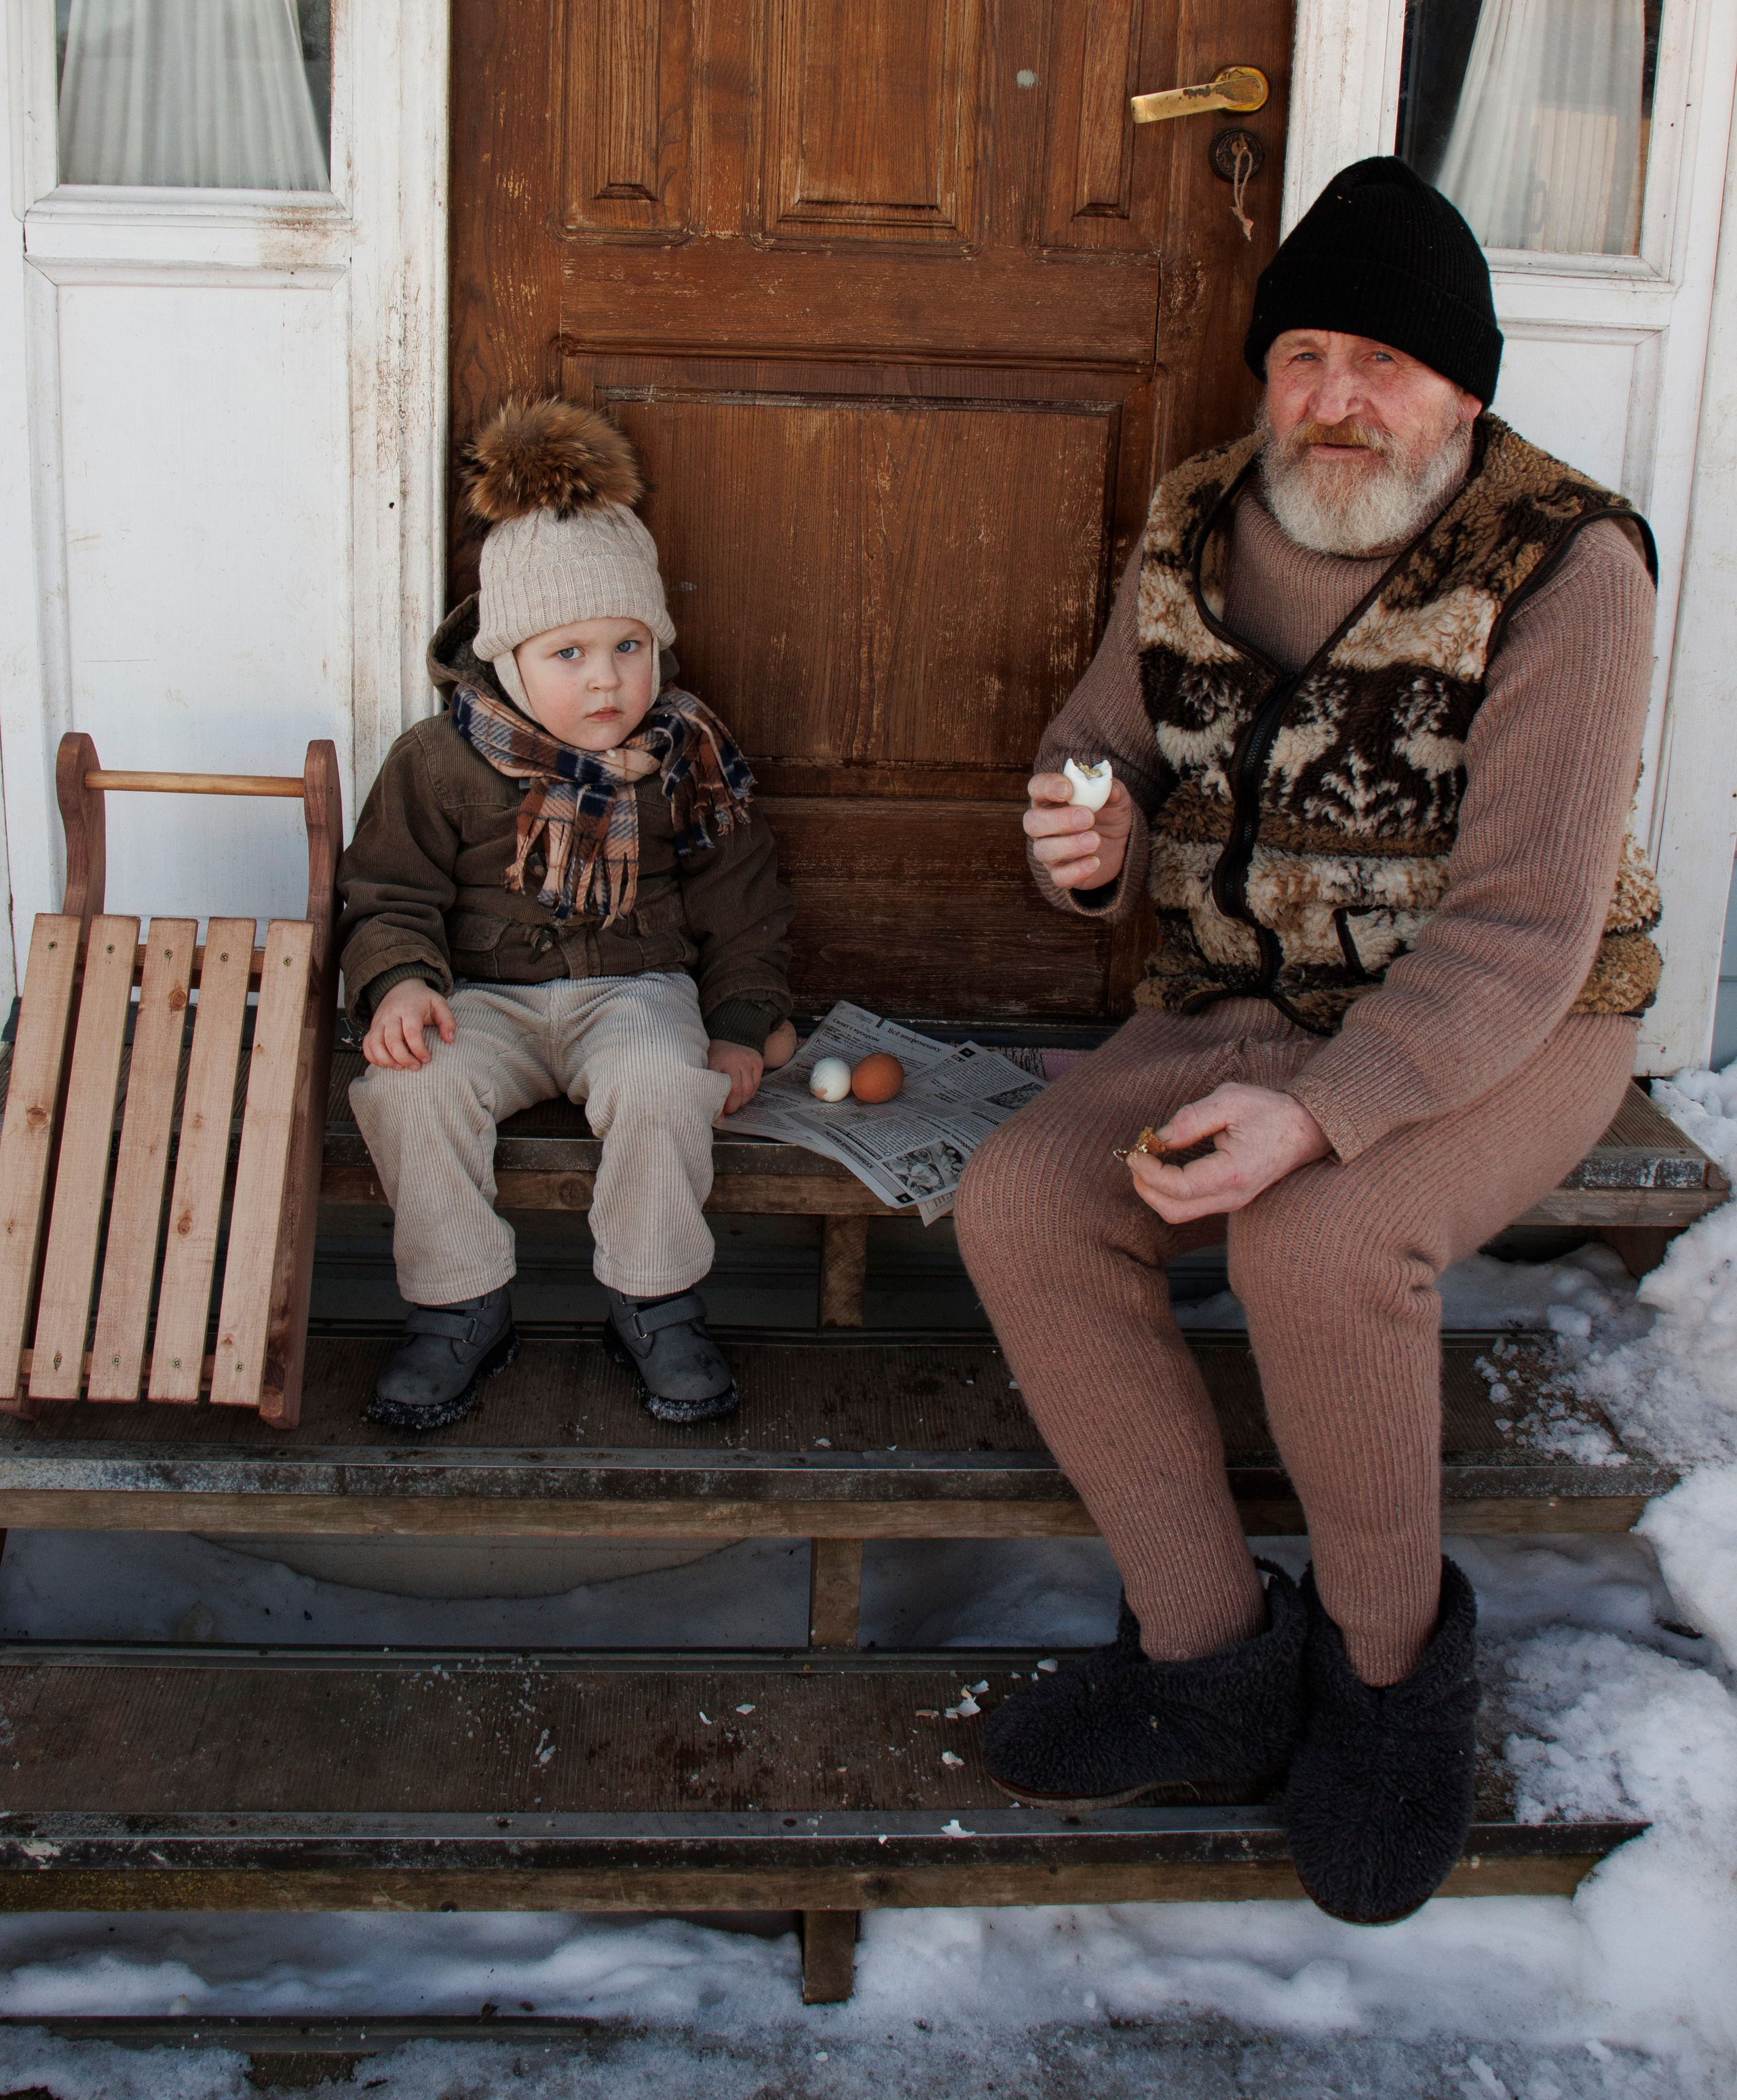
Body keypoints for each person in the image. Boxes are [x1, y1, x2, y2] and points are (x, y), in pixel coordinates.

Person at [953, 157, 1660, 1926]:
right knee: (1023, 1203)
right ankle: (1210, 1664)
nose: (1339, 399)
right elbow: (1095, 740)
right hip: (1232, 994)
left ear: (1464, 392)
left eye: (1389, 366)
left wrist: (1325, 1115)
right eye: (1307, 355)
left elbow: (1523, 931)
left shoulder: (1566, 562)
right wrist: (1086, 832)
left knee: (1319, 1236)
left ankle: (1393, 1679)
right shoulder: (1199, 517)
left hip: (1515, 1021)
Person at [338, 398, 795, 1431]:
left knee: (658, 1082)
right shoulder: (439, 758)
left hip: (632, 991)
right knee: (409, 1089)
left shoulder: (684, 756)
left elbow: (744, 904)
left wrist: (736, 1026)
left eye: (629, 646)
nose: (607, 680)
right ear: (509, 657)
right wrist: (401, 981)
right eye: (570, 654)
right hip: (481, 1002)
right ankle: (460, 1306)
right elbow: (387, 889)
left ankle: (653, 1296)